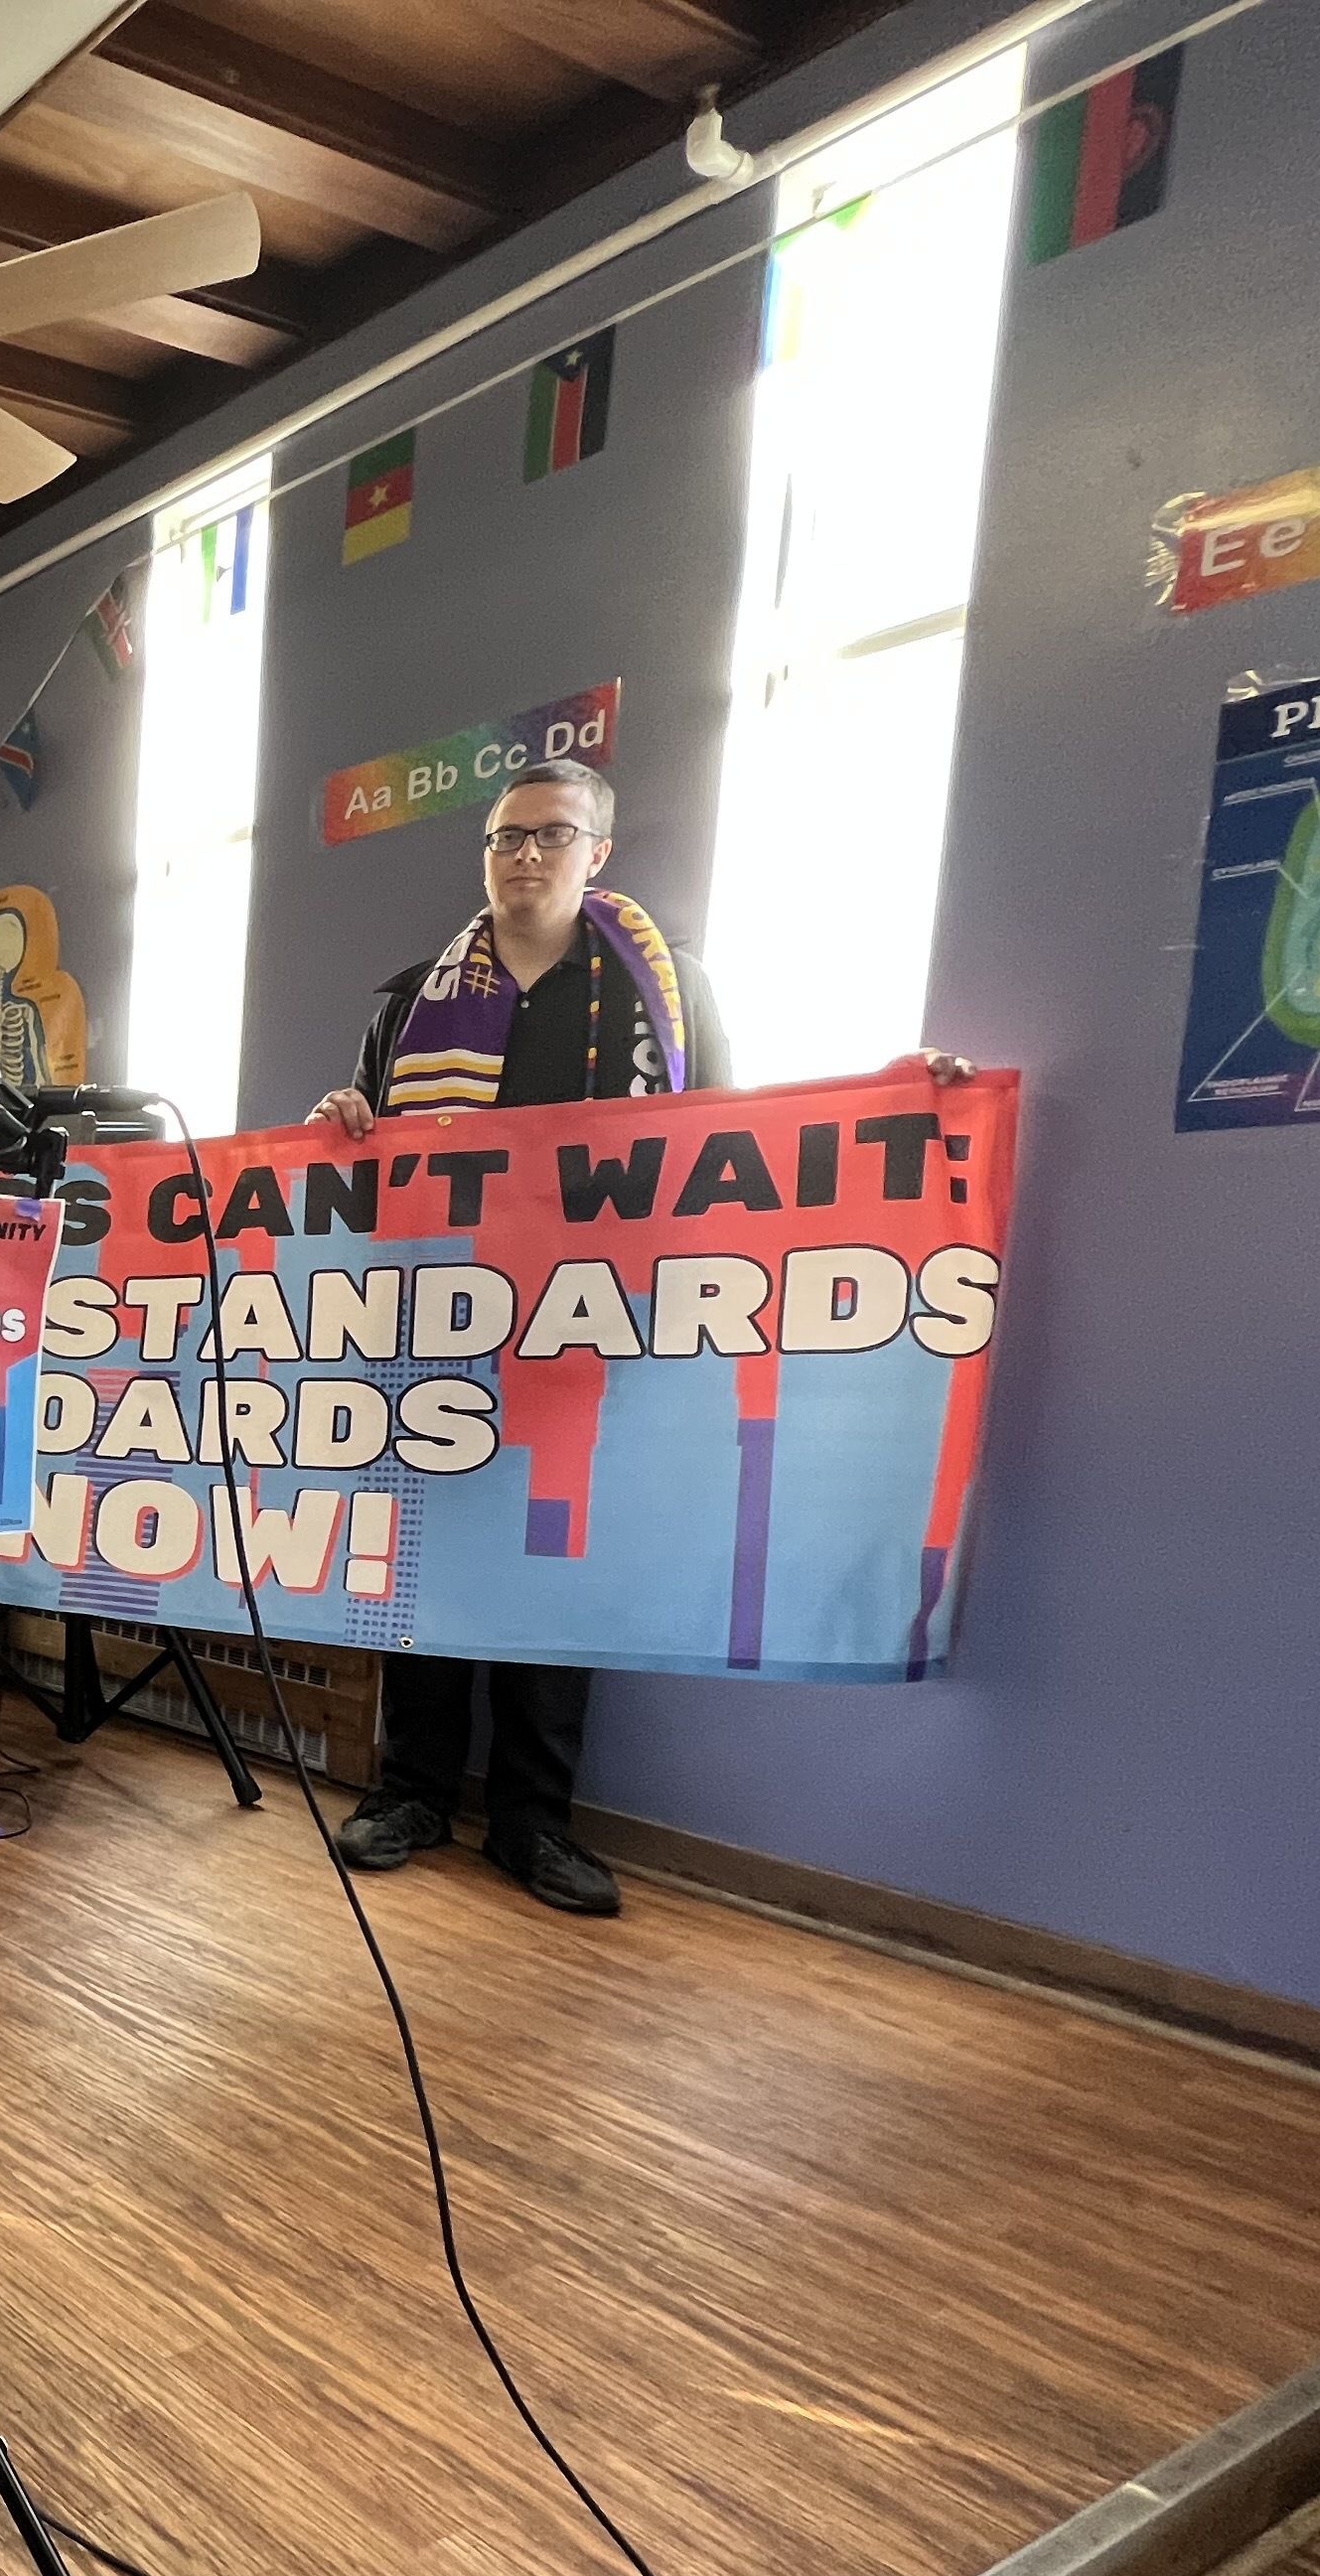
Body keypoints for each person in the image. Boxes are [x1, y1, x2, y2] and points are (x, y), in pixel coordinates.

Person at [311, 759, 969, 1916]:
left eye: (551, 836)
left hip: (591, 1335)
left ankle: (532, 1821)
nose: (524, 857)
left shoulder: (668, 995)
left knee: (564, 1570)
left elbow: (740, 1137)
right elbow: (364, 1157)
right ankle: (409, 1791)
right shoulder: (412, 1001)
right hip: (438, 1327)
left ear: (597, 852)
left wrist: (905, 1099)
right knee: (426, 1565)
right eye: (506, 838)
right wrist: (343, 1119)